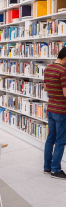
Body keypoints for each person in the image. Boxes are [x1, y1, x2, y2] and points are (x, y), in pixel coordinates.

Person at [44, 47, 66, 179]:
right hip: (62, 110)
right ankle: (56, 170)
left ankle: (47, 167)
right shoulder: (63, 71)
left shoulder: (48, 68)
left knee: (50, 138)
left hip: (51, 108)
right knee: (61, 140)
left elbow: (46, 87)